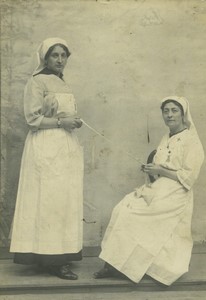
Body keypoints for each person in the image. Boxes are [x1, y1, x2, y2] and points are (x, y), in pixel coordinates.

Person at [93, 96, 204, 286]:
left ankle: (145, 267)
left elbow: (189, 177)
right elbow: (160, 164)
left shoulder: (191, 141)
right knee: (123, 208)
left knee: (136, 215)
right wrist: (151, 170)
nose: (169, 115)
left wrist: (160, 170)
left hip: (177, 194)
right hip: (158, 189)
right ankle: (116, 264)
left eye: (174, 110)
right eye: (166, 111)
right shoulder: (166, 137)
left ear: (183, 114)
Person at [10, 38, 84, 280]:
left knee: (63, 201)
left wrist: (73, 121)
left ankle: (56, 255)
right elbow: (32, 120)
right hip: (45, 147)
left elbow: (61, 114)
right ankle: (53, 261)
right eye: (55, 55)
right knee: (48, 201)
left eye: (64, 55)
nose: (60, 60)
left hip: (65, 147)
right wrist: (63, 122)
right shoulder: (37, 82)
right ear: (45, 58)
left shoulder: (64, 83)